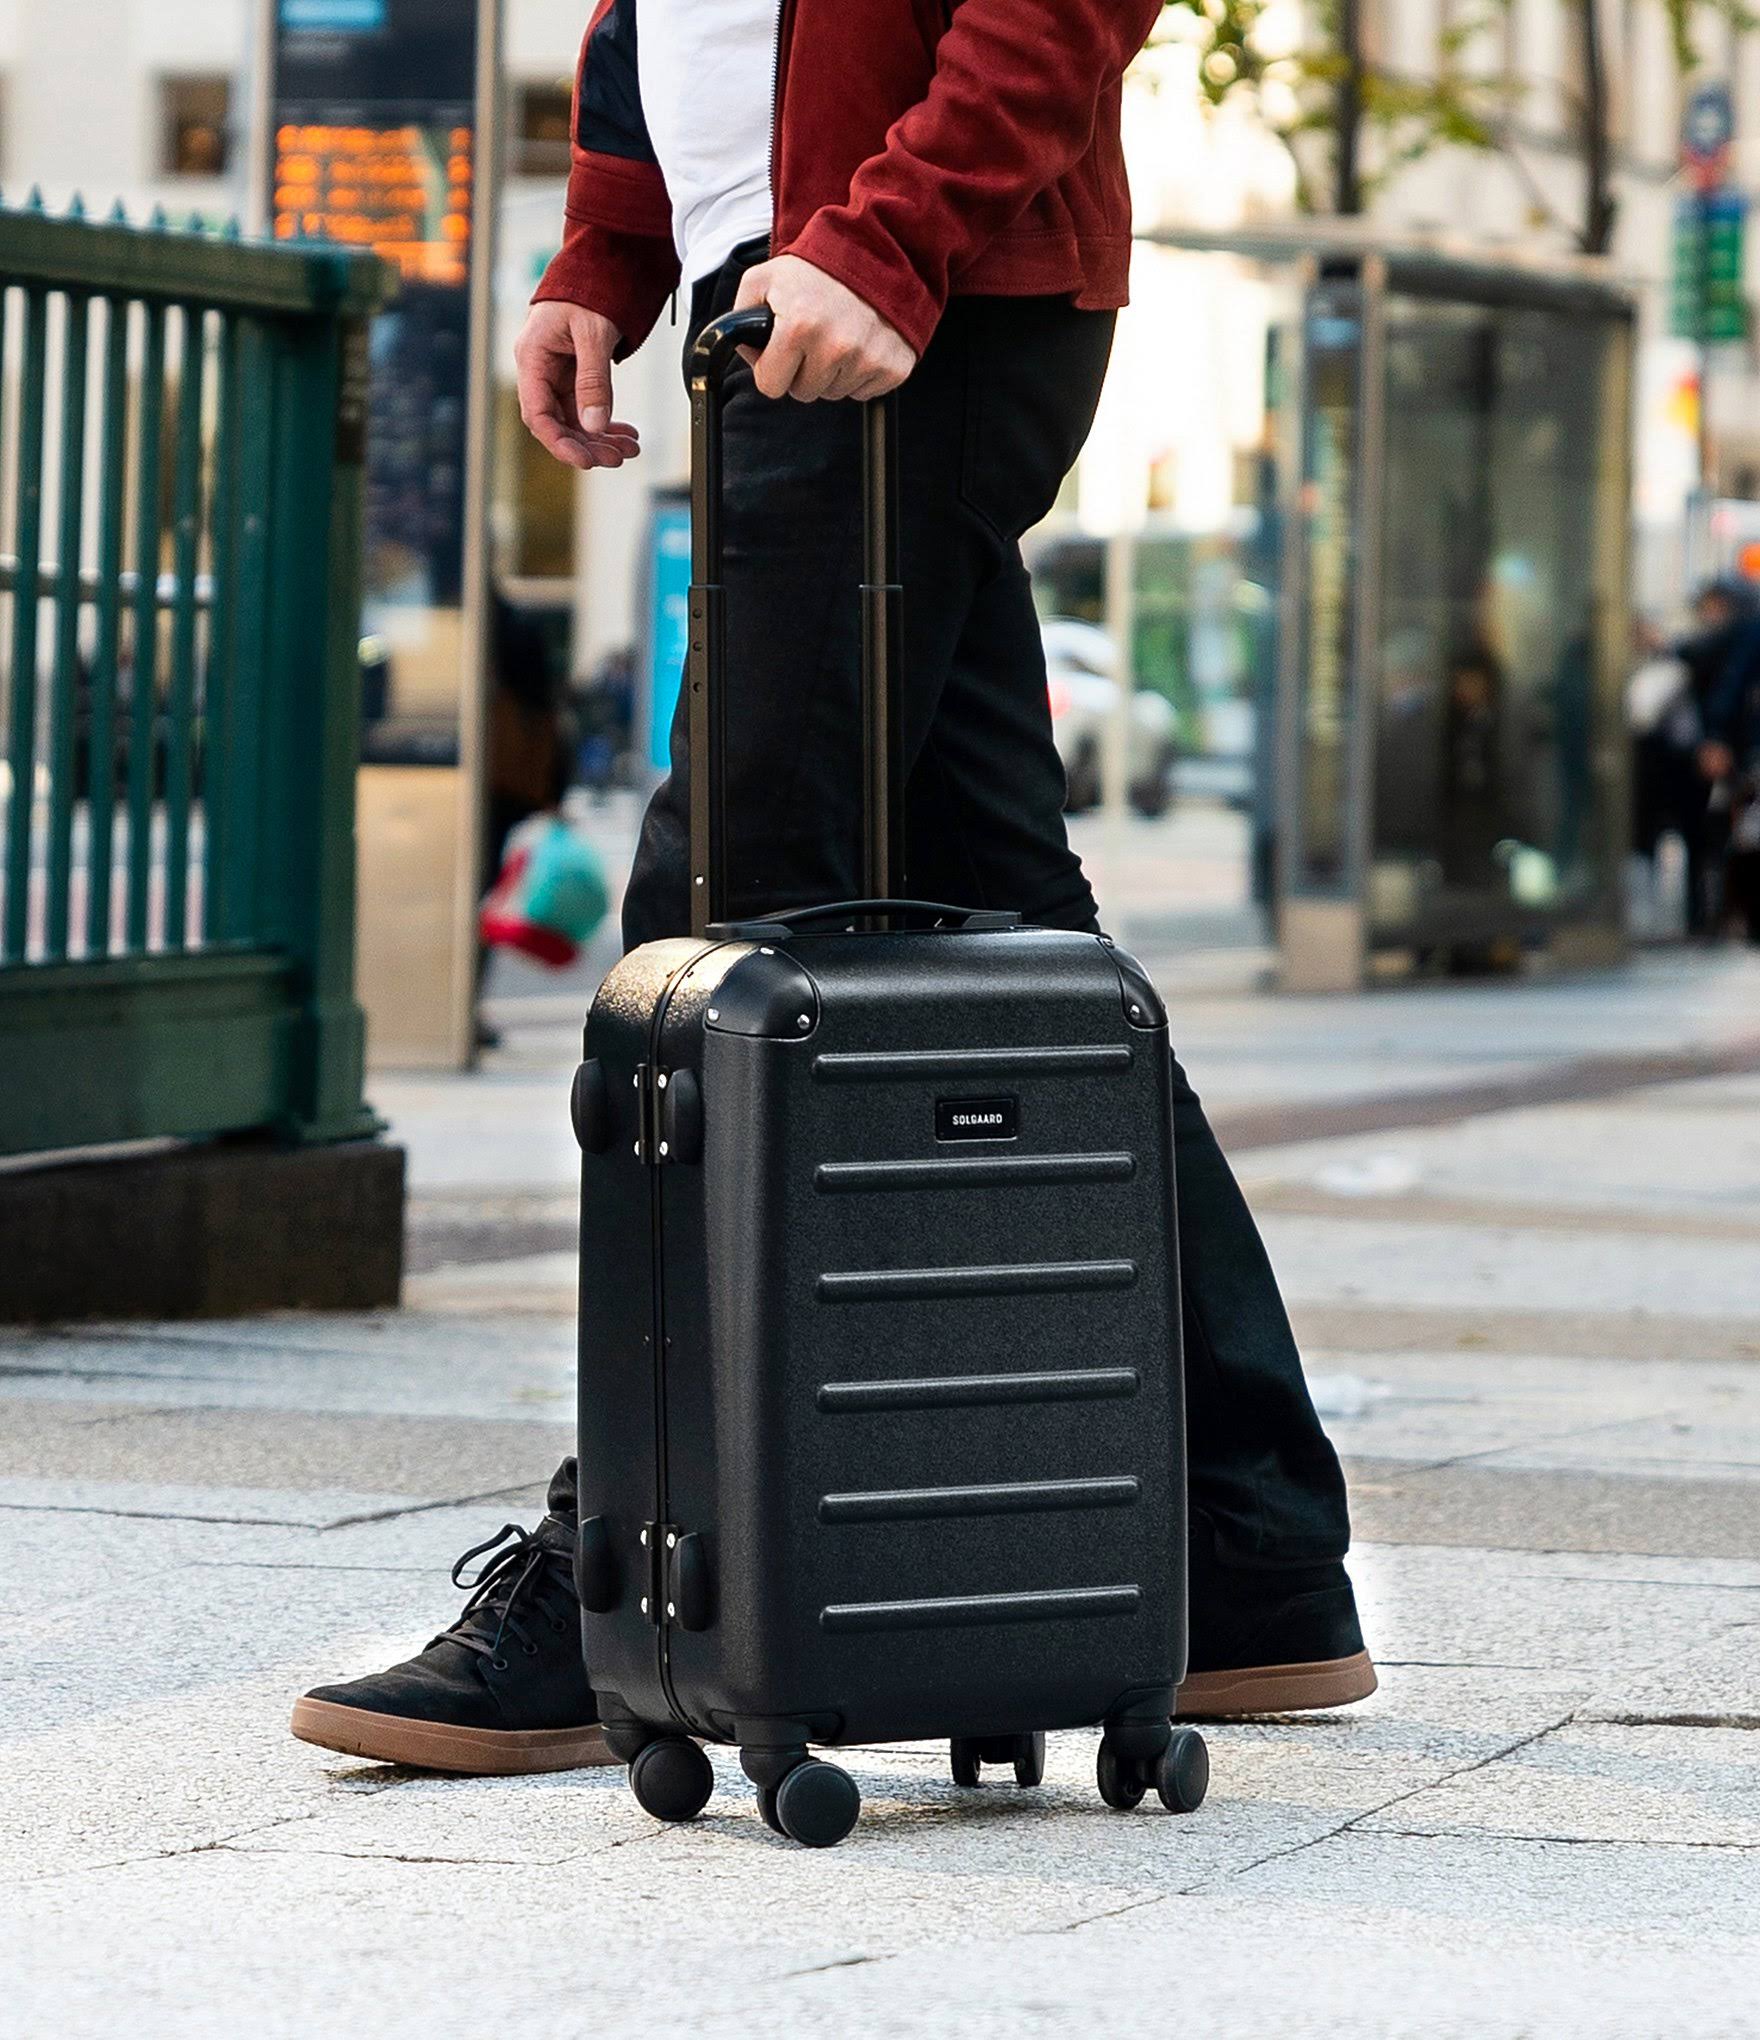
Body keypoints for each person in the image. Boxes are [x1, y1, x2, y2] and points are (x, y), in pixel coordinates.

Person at [290, 0, 1376, 1775]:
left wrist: (889, 235)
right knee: (1013, 922)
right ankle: (1252, 1558)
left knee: (708, 933)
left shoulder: (890, 260)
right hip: (788, 300)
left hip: (890, 306)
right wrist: (610, 249)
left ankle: (624, 1588)